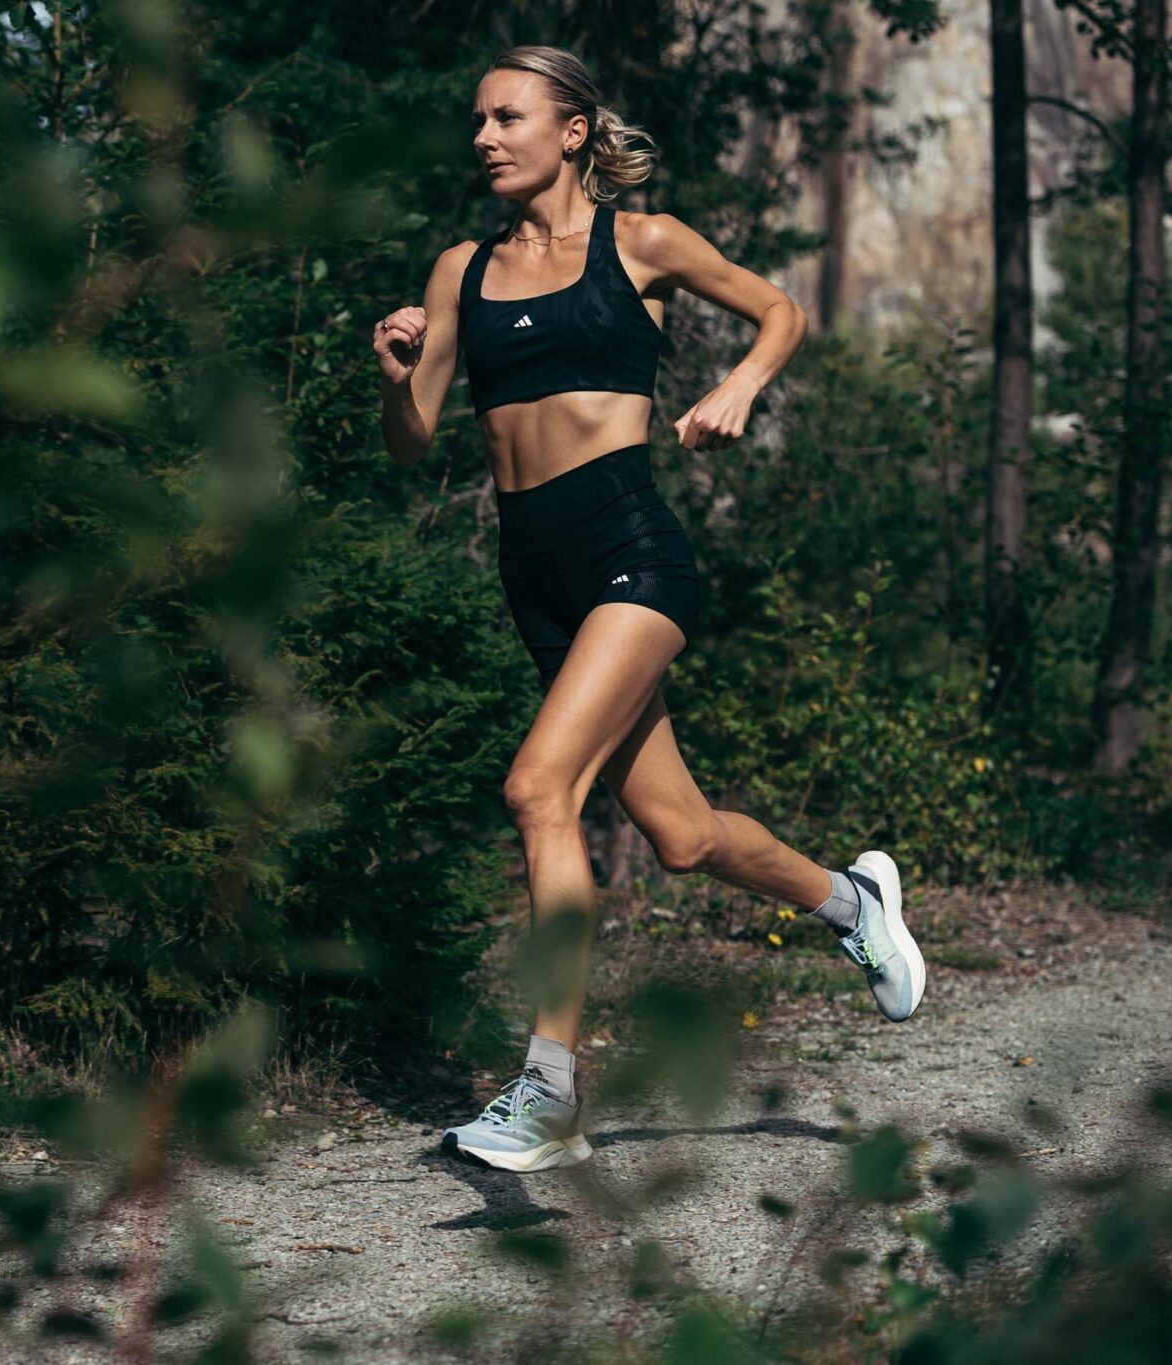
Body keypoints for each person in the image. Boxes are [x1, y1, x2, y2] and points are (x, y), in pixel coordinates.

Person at [371, 45, 926, 1174]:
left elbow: (778, 311)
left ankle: (549, 1091)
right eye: (475, 119)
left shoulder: (642, 242)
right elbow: (411, 442)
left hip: (629, 547)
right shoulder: (457, 273)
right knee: (679, 837)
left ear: (570, 130)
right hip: (535, 573)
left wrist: (736, 385)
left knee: (537, 788)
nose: (482, 136)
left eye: (506, 117)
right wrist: (392, 375)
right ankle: (851, 902)